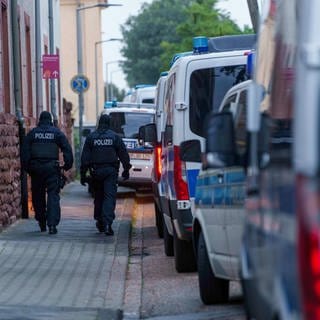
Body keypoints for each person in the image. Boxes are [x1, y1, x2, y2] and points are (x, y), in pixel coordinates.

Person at [21, 111, 73, 234]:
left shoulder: (33, 133)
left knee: (38, 196)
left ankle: (41, 222)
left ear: (40, 120)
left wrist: (28, 168)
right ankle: (52, 225)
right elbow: (67, 148)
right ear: (50, 120)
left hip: (36, 169)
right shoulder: (56, 133)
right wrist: (67, 165)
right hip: (52, 169)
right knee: (53, 196)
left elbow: (25, 152)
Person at [80, 114, 131, 236]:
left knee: (98, 197)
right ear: (109, 123)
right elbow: (123, 154)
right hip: (110, 171)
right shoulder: (114, 137)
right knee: (109, 197)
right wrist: (126, 169)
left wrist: (83, 174)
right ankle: (108, 224)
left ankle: (99, 220)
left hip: (96, 172)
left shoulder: (91, 137)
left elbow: (85, 158)